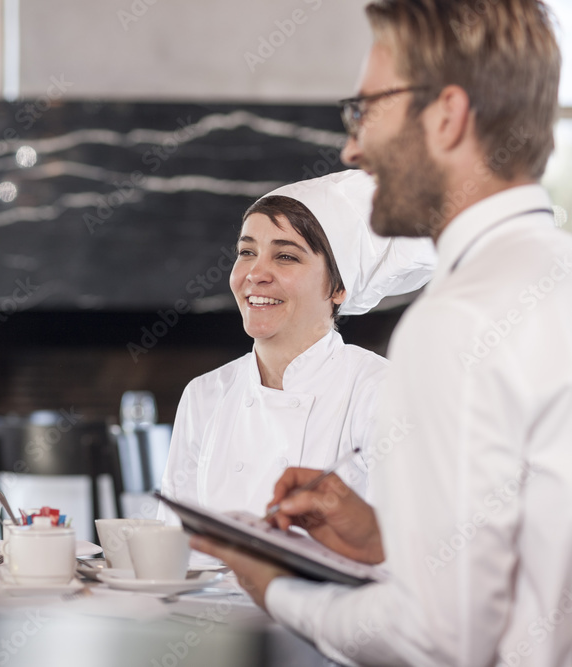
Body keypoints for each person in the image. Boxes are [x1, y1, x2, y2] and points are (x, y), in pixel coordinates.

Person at [191, 1, 572, 665]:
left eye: (367, 109)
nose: (352, 148)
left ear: (447, 115)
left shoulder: (457, 322)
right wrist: (382, 538)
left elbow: (436, 638)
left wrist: (275, 588)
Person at [159, 169, 435, 517]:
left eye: (285, 256)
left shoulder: (384, 392)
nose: (255, 274)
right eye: (247, 252)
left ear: (338, 287)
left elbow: (402, 541)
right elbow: (172, 539)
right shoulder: (205, 395)